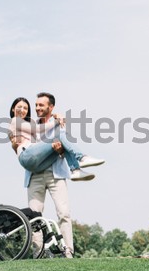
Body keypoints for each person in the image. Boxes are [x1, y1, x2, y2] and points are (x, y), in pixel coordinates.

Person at [10, 93, 104, 258]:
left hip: (55, 173)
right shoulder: (30, 125)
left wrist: (59, 149)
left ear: (50, 107)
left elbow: (64, 148)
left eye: (41, 105)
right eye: (36, 105)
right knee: (34, 216)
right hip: (34, 175)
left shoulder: (58, 126)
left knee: (64, 213)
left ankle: (68, 251)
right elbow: (22, 146)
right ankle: (38, 254)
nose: (37, 108)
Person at [9, 97, 104, 181]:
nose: (22, 110)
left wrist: (55, 115)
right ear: (13, 109)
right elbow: (38, 129)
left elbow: (39, 130)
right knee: (59, 135)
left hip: (35, 166)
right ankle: (81, 158)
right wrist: (57, 121)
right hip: (26, 155)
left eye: (25, 108)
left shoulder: (28, 124)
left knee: (61, 143)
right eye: (19, 107)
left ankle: (75, 170)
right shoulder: (14, 120)